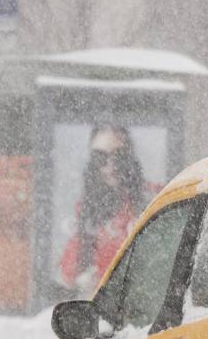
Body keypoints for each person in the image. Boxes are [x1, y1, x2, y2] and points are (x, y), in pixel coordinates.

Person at [58, 124, 150, 294]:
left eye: (120, 156)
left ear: (130, 158)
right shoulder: (86, 210)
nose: (110, 166)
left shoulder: (151, 200)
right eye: (100, 157)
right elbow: (69, 273)